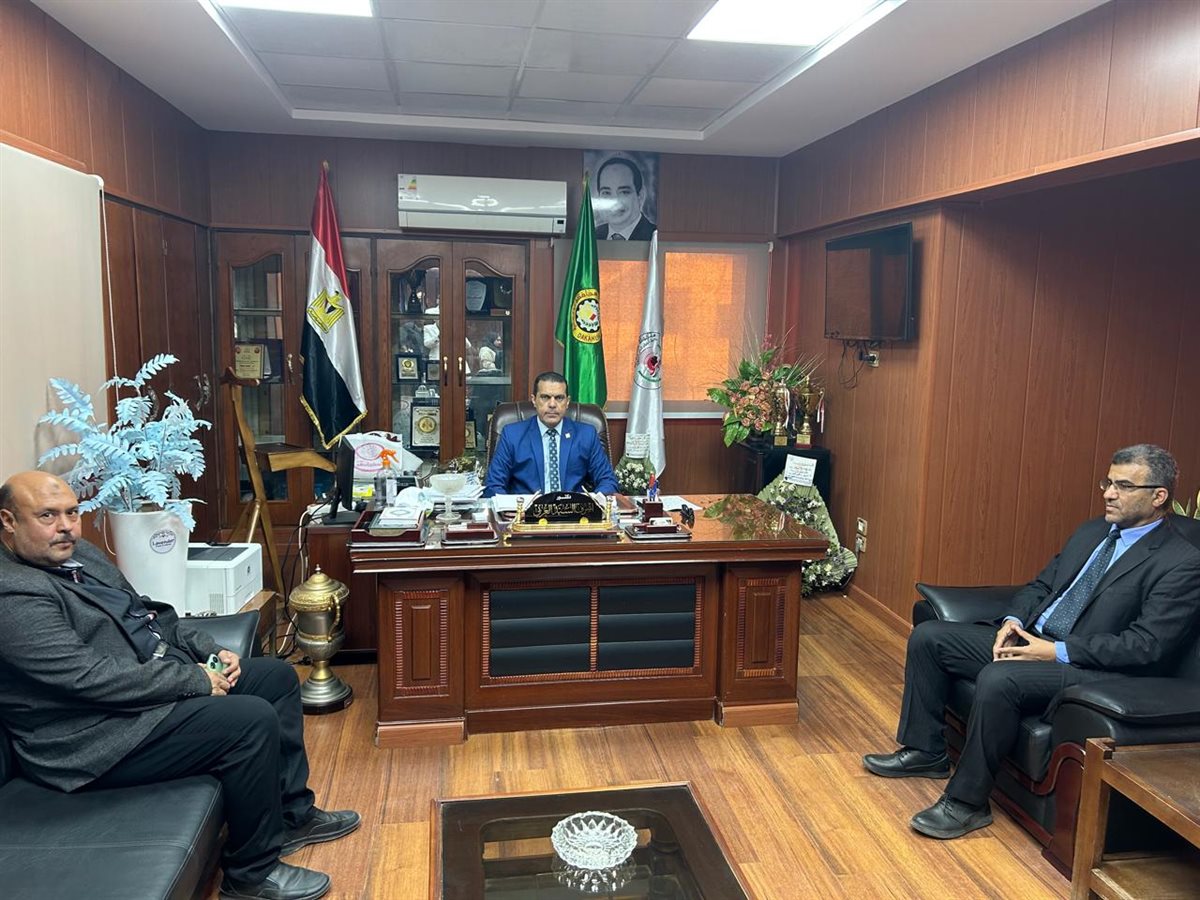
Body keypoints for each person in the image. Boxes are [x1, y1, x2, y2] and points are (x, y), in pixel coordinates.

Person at [0, 471, 360, 900]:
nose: (65, 526)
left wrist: (209, 649)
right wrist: (193, 680)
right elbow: (86, 677)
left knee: (276, 678)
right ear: (8, 521)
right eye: (47, 515)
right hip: (94, 734)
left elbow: (148, 613)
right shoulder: (14, 594)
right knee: (248, 721)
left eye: (72, 513)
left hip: (143, 693)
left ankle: (291, 817)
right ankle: (251, 875)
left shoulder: (79, 555)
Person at [862, 444, 1200, 840]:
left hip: (1087, 665)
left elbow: (1146, 645)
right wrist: (1013, 621)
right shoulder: (1092, 532)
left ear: (1159, 496)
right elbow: (1041, 585)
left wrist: (1055, 651)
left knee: (1000, 677)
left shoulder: (1182, 561)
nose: (1109, 494)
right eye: (1108, 483)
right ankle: (926, 752)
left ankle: (967, 803)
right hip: (1035, 638)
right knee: (930, 637)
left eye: (1123, 486)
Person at [484, 371, 618, 497]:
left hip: (572, 510)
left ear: (567, 402)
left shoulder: (586, 435)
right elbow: (494, 484)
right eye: (545, 397)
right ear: (534, 400)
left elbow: (607, 481)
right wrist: (510, 509)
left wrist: (592, 503)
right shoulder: (512, 435)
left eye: (559, 398)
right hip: (526, 511)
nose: (552, 404)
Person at [594, 157, 657, 241]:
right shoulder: (592, 235)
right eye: (606, 193)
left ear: (640, 196)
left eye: (624, 192)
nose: (614, 203)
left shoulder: (654, 235)